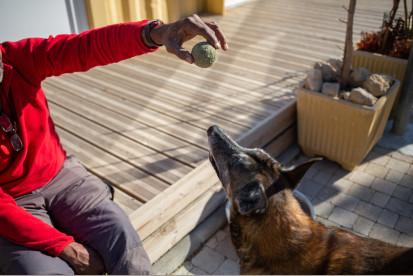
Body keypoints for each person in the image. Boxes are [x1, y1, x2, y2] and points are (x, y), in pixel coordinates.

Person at [0, 14, 228, 275]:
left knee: (124, 245)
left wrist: (155, 33)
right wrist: (64, 247)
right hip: (12, 203)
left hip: (61, 176)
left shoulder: (16, 60)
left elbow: (84, 47)